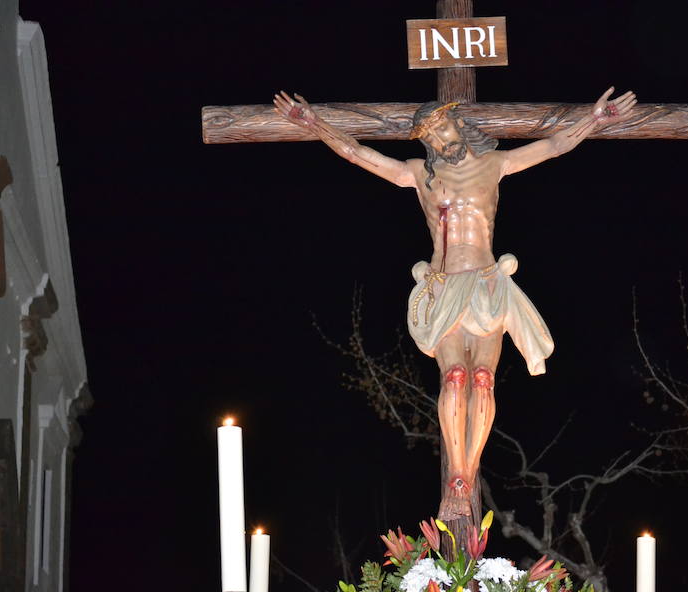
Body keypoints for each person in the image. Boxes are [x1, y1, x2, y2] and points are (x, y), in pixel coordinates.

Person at [273, 88, 637, 519]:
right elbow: (358, 154)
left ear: (457, 123)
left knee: (482, 378)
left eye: (440, 126)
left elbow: (554, 145)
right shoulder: (419, 175)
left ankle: (466, 471)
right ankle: (456, 480)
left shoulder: (495, 164)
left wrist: (596, 119)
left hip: (486, 285)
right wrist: (313, 122)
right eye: (428, 134)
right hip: (444, 288)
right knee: (455, 377)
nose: (437, 137)